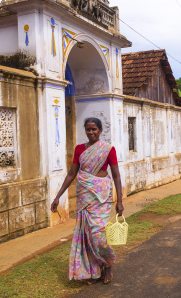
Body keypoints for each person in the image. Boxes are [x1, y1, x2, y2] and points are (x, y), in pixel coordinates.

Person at [51, 117, 124, 285]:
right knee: (87, 234)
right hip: (85, 197)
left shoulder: (108, 149)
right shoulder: (79, 149)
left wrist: (119, 201)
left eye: (94, 129)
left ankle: (109, 264)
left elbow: (116, 176)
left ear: (100, 130)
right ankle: (94, 270)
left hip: (102, 197)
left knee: (98, 235)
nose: (91, 132)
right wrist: (58, 196)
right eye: (88, 129)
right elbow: (71, 174)